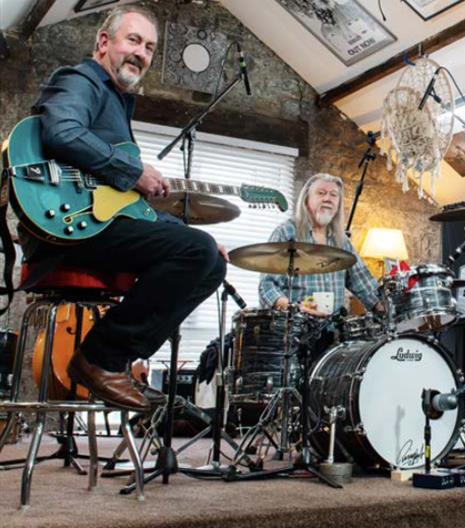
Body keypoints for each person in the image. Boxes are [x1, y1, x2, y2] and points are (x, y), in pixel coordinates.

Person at [21, 5, 228, 412]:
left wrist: (173, 223)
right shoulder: (81, 80)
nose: (141, 53)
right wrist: (132, 170)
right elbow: (61, 131)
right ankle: (99, 358)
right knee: (196, 250)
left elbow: (126, 204)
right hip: (65, 229)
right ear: (104, 42)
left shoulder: (117, 102)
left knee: (212, 263)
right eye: (133, 40)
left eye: (149, 47)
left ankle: (116, 360)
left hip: (98, 224)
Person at [259, 173, 382, 320]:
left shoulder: (341, 241)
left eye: (333, 195)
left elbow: (364, 285)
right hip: (295, 327)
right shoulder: (286, 233)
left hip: (332, 332)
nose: (327, 199)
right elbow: (267, 287)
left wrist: (382, 306)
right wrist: (296, 308)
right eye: (321, 193)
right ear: (306, 200)